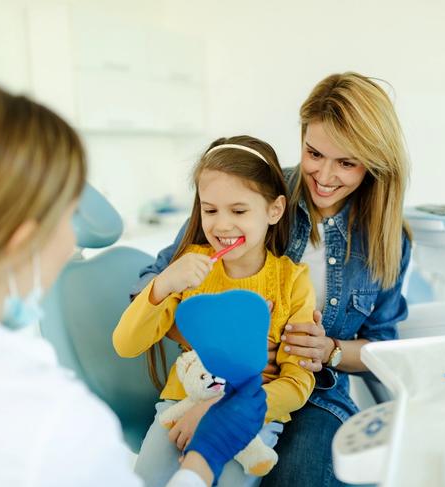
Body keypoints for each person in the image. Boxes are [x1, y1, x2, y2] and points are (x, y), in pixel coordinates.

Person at [0, 82, 267, 487]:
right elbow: (128, 340)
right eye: (68, 218)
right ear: (22, 242)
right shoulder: (56, 424)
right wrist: (202, 461)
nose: (73, 239)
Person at [132, 72, 412, 487]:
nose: (325, 175)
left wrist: (331, 350)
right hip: (213, 380)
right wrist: (210, 335)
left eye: (347, 163)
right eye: (314, 153)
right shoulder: (252, 192)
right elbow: (153, 283)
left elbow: (382, 348)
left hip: (314, 392)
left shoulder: (387, 240)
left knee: (297, 477)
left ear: (373, 163)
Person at [113, 136, 317, 487]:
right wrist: (163, 283)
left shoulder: (292, 282)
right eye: (210, 210)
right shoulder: (188, 267)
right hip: (178, 408)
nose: (221, 225)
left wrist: (221, 412)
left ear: (275, 210)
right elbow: (126, 344)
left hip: (255, 418)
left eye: (238, 211)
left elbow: (297, 383)